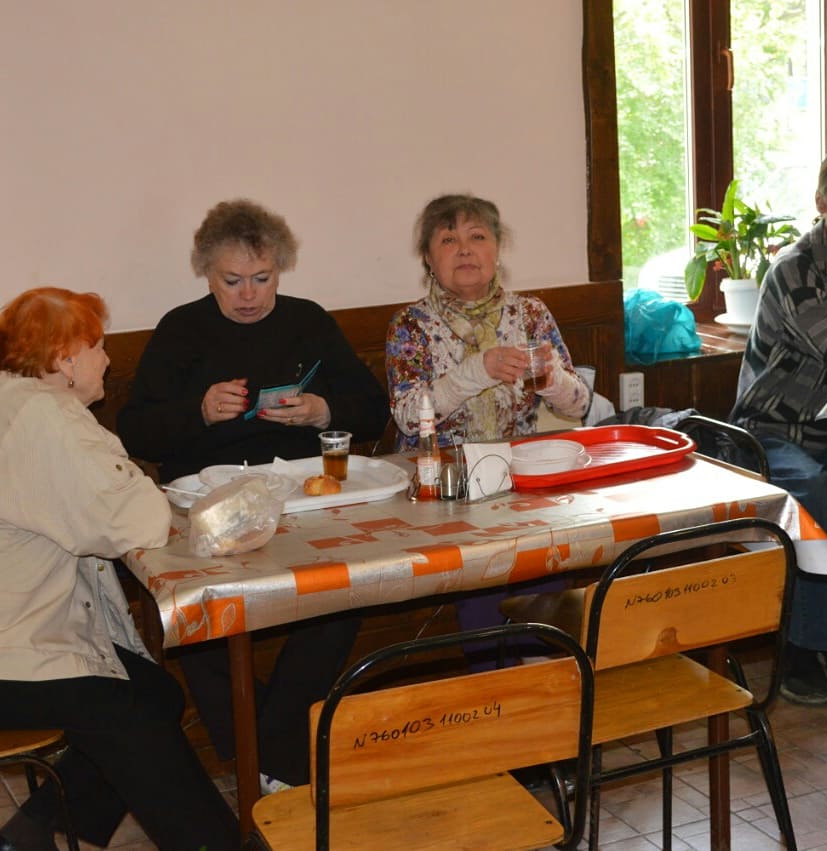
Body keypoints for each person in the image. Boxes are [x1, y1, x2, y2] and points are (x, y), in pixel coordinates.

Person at [117, 198, 389, 792]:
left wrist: (323, 410)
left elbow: (373, 409)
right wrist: (198, 411)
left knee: (345, 594)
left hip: (300, 495)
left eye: (262, 279)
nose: (248, 295)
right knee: (194, 618)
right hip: (202, 502)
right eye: (231, 280)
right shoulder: (181, 329)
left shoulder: (308, 320)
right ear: (206, 273)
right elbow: (135, 430)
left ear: (280, 269)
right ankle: (277, 757)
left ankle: (268, 757)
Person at [0, 287, 240, 851]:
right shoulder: (45, 416)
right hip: (14, 653)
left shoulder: (15, 402)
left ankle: (34, 830)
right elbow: (133, 522)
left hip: (20, 633)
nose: (106, 360)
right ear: (65, 359)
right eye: (98, 346)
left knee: (154, 693)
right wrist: (138, 482)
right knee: (130, 716)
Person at [385, 193, 590, 667]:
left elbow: (579, 404)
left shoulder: (531, 314)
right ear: (427, 258)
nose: (464, 249)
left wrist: (552, 380)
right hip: (446, 486)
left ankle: (550, 683)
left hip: (523, 477)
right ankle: (495, 691)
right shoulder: (410, 325)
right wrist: (477, 371)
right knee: (480, 580)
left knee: (547, 570)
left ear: (497, 249)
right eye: (448, 239)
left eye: (477, 236)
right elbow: (408, 416)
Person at [731, 143, 827, 706]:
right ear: (822, 203)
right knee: (814, 492)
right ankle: (803, 647)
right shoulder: (793, 270)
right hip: (769, 430)